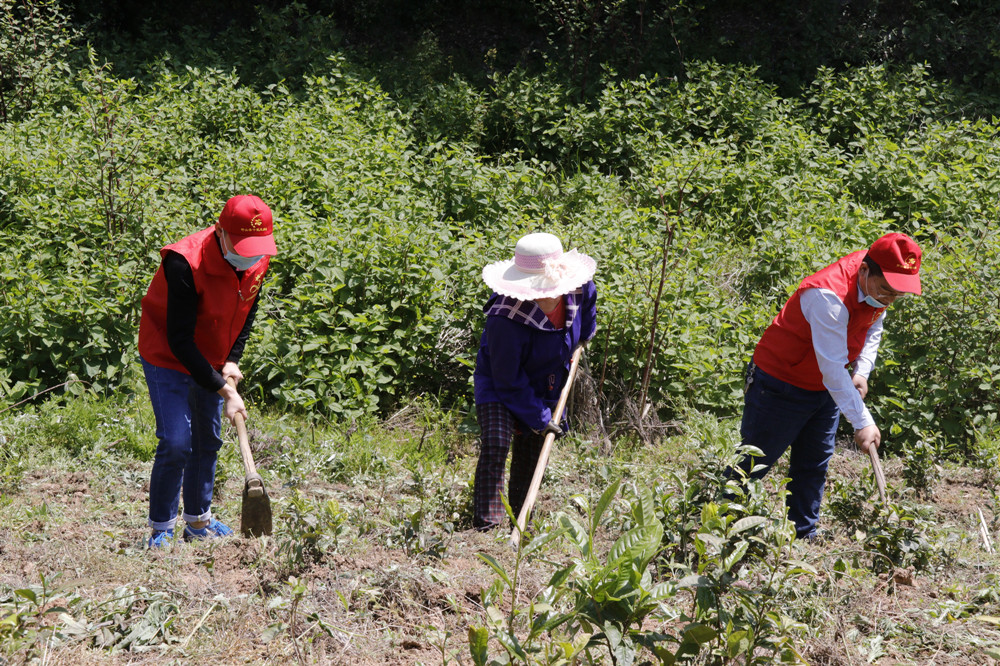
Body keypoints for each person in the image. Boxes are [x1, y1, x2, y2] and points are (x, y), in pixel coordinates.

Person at [731, 232, 922, 539]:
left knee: (813, 464)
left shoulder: (879, 279)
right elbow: (832, 370)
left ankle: (803, 536)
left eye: (896, 295)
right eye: (886, 291)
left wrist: (862, 371)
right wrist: (863, 421)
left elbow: (875, 324)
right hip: (781, 383)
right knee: (753, 464)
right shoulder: (828, 296)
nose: (889, 300)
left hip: (824, 390)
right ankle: (719, 530)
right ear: (863, 271)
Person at [138, 195, 277, 548]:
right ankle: (161, 530)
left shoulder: (258, 260)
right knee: (176, 442)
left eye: (257, 247)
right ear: (220, 231)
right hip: (167, 354)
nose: (251, 254)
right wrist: (225, 391)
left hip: (213, 355)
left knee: (207, 439)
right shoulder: (184, 262)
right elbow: (180, 340)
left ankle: (198, 522)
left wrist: (232, 357)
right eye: (243, 245)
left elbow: (246, 311)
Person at [472, 232, 597, 530]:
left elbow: (587, 314)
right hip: (500, 383)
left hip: (548, 382)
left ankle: (520, 515)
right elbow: (508, 379)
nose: (548, 294)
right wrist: (541, 417)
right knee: (497, 441)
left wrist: (585, 336)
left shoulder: (579, 290)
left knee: (533, 447)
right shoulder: (505, 319)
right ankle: (487, 523)